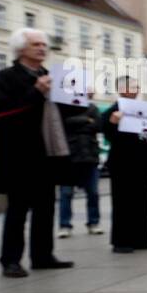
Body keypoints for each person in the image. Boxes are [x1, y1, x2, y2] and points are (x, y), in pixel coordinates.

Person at [0, 28, 73, 277]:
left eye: (44, 44)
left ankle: (43, 255)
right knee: (17, 209)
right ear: (20, 49)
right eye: (36, 44)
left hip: (47, 153)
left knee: (46, 207)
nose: (42, 48)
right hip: (19, 155)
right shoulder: (6, 77)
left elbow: (63, 115)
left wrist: (77, 99)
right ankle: (10, 260)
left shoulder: (51, 75)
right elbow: (6, 113)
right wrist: (36, 91)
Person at [101, 76, 147, 252]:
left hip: (141, 163)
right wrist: (112, 122)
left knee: (142, 202)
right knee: (123, 203)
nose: (137, 89)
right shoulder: (113, 110)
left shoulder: (143, 108)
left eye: (138, 86)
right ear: (123, 89)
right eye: (134, 86)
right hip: (123, 164)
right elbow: (107, 133)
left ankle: (141, 239)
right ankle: (121, 241)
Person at [56, 93, 103, 239]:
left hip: (90, 156)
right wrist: (86, 120)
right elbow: (64, 125)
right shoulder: (64, 108)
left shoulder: (92, 107)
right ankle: (64, 226)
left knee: (93, 193)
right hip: (69, 157)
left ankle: (93, 223)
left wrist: (78, 124)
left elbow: (99, 126)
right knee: (66, 193)